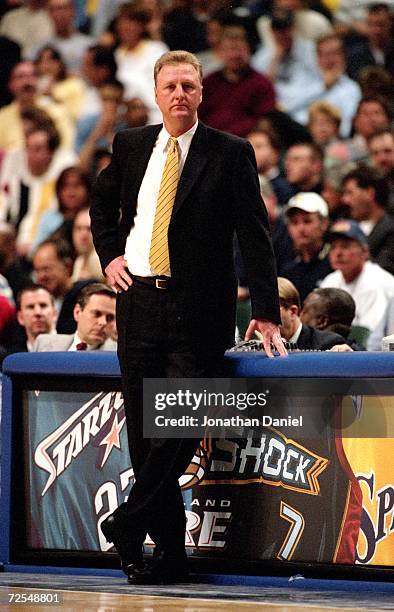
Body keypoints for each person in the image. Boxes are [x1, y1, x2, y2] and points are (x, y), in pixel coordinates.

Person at [90, 49, 286, 585]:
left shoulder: (230, 151)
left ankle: (128, 520)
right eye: (170, 85)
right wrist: (109, 256)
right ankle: (165, 554)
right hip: (138, 304)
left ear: (202, 94)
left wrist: (265, 311)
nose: (179, 94)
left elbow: (254, 234)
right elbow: (102, 207)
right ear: (156, 93)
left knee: (178, 423)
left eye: (189, 86)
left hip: (198, 310)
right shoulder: (130, 145)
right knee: (146, 438)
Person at [320, 219, 394, 336]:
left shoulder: (377, 282)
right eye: (333, 247)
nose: (338, 253)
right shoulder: (330, 281)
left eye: (345, 246)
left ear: (364, 251)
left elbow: (369, 337)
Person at [279, 191, 332, 302]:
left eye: (307, 221)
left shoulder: (335, 262)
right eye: (294, 223)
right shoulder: (288, 268)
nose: (301, 228)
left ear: (324, 224)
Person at [34, 282, 116, 351]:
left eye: (110, 318)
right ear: (77, 312)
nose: (103, 322)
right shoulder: (43, 343)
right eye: (97, 314)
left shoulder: (117, 354)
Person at [277, 276, 349, 351]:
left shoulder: (327, 343)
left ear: (293, 312)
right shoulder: (266, 343)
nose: (264, 321)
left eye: (271, 312)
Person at [7, 284, 57, 353]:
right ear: (20, 317)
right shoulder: (11, 359)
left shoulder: (72, 348)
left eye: (43, 305)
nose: (37, 312)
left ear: (54, 313)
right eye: (30, 307)